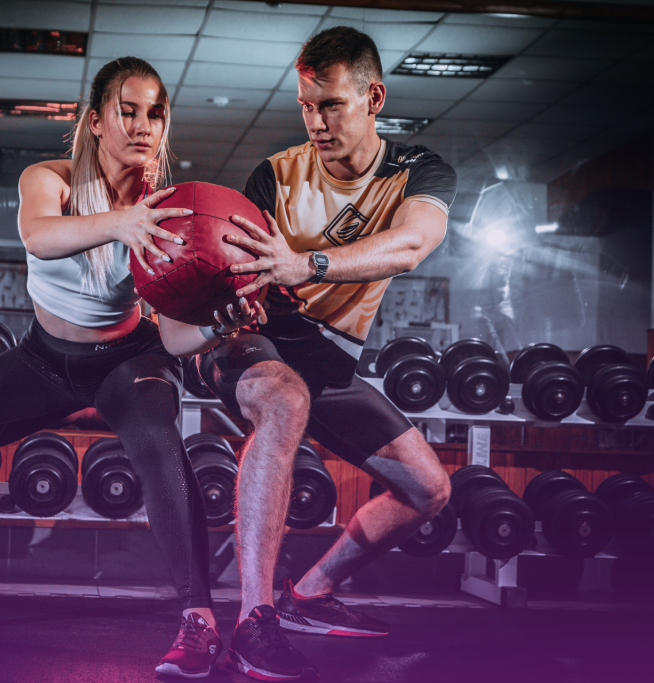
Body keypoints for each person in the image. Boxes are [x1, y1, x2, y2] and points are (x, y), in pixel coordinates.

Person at [0, 56, 259, 680]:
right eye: (126, 111)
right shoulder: (47, 179)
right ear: (95, 121)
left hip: (130, 361)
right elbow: (38, 235)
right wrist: (121, 223)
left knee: (163, 447)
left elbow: (180, 337)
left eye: (154, 113)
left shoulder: (171, 210)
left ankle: (200, 621)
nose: (142, 125)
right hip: (45, 360)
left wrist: (222, 321)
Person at [194, 26, 457, 681]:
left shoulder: (417, 173)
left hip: (329, 355)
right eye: (307, 105)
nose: (316, 120)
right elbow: (240, 272)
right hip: (255, 342)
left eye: (332, 103)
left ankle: (310, 591)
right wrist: (234, 294)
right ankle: (256, 620)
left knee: (428, 488)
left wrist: (305, 262)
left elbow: (410, 245)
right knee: (284, 398)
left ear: (373, 97)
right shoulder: (276, 175)